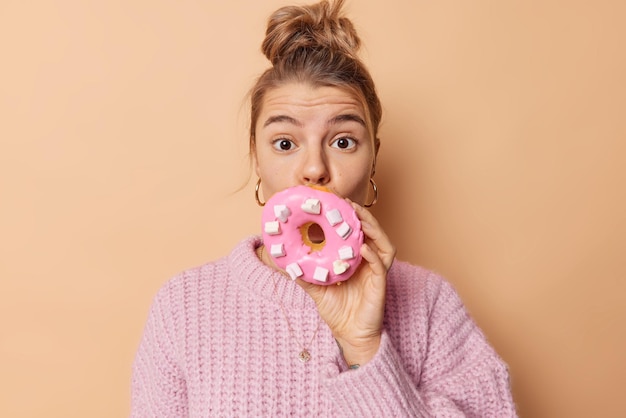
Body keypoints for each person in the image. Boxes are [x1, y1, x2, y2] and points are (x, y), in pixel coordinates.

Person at [130, 0, 517, 416]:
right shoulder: (183, 307)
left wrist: (363, 348)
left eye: (343, 141)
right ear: (256, 158)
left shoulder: (430, 303)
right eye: (285, 143)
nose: (314, 168)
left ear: (373, 159)